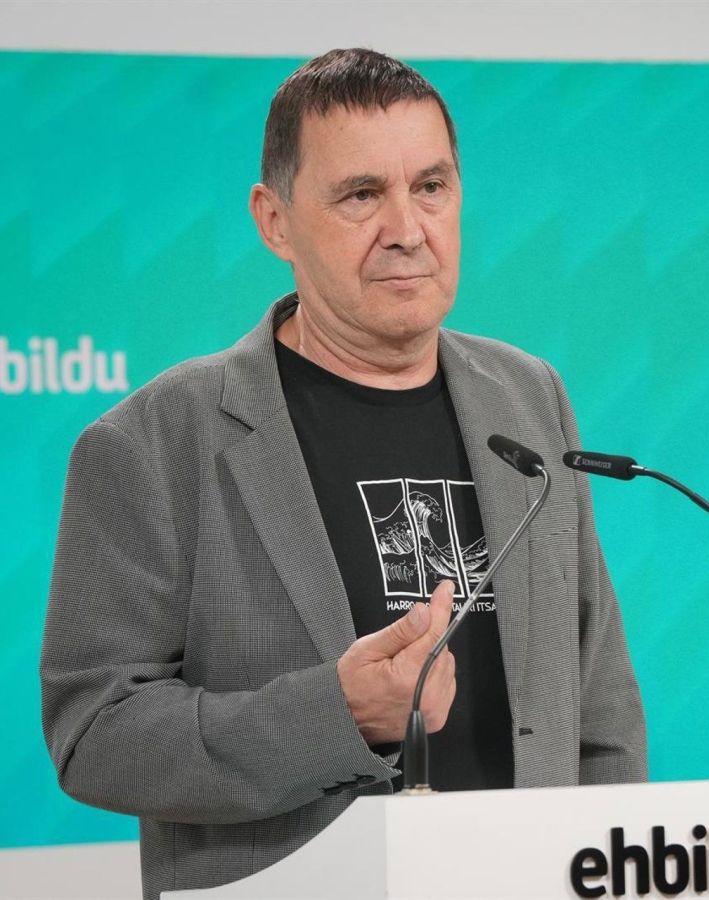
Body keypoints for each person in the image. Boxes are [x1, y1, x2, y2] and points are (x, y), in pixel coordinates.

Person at [40, 48, 646, 900]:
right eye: (362, 195)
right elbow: (95, 733)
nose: (407, 228)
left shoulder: (529, 398)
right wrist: (336, 715)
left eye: (430, 187)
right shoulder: (155, 440)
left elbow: (601, 715)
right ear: (275, 221)